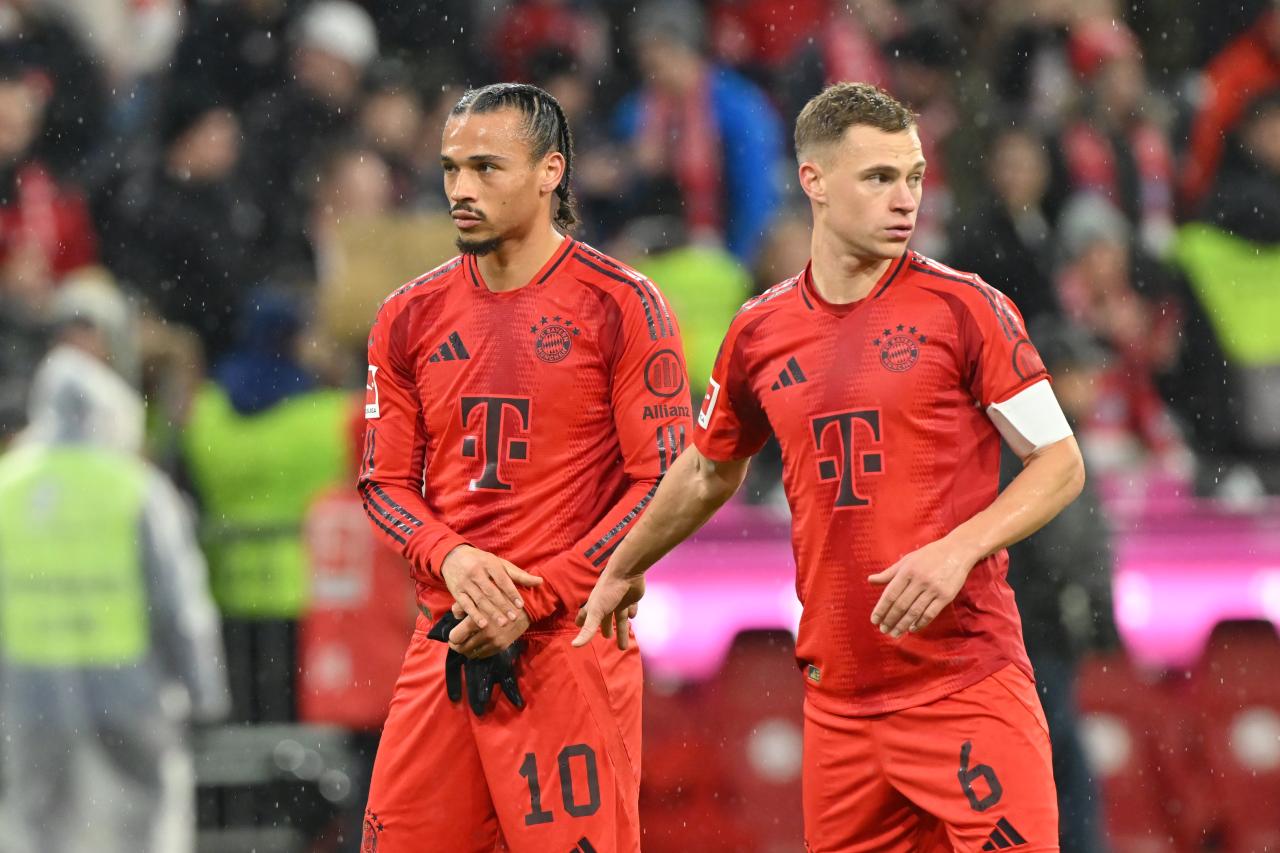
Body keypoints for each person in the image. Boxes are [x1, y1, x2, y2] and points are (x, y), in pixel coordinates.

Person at [575, 82, 1086, 852]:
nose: (904, 198)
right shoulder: (759, 331)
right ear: (813, 180)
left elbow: (1060, 462)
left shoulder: (967, 309)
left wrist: (958, 549)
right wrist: (624, 562)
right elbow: (710, 469)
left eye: (913, 176)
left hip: (965, 685)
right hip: (840, 708)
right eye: (879, 177)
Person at [357, 83, 689, 852]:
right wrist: (452, 556)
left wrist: (539, 596)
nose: (461, 189)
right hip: (447, 641)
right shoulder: (406, 316)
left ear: (550, 172)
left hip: (571, 646)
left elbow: (665, 483)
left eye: (486, 167)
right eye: (450, 168)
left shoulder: (623, 306)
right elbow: (383, 482)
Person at [0, 278, 229, 853]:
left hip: (29, 697)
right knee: (144, 828)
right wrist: (204, 694)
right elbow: (180, 601)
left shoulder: (8, 487)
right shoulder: (136, 489)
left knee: (36, 828)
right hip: (129, 692)